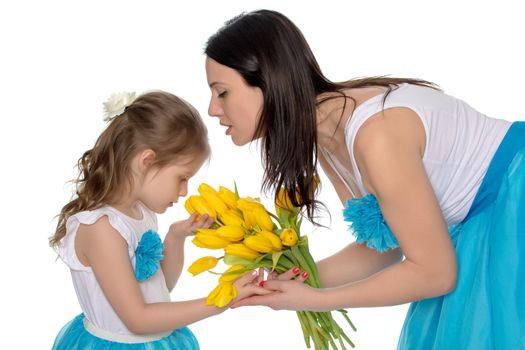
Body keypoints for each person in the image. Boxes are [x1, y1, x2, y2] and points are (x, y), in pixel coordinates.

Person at [203, 9, 525, 349]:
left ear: (268, 82)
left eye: (222, 92)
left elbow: (435, 273)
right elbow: (384, 248)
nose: (212, 109)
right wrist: (294, 279)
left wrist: (313, 299)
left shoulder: (375, 137)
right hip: (486, 219)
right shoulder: (328, 131)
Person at [49, 91, 266, 349]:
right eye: (182, 178)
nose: (184, 191)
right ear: (147, 161)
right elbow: (138, 319)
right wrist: (221, 300)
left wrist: (175, 238)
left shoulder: (141, 213)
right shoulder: (101, 229)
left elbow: (160, 287)